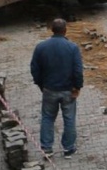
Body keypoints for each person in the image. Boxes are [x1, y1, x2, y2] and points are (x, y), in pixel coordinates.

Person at [30, 18, 83, 157]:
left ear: (51, 30)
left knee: (47, 118)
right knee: (69, 119)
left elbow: (34, 69)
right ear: (65, 30)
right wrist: (77, 87)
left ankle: (47, 149)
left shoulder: (41, 47)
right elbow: (78, 70)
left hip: (49, 89)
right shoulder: (72, 48)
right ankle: (68, 148)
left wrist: (41, 84)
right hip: (68, 90)